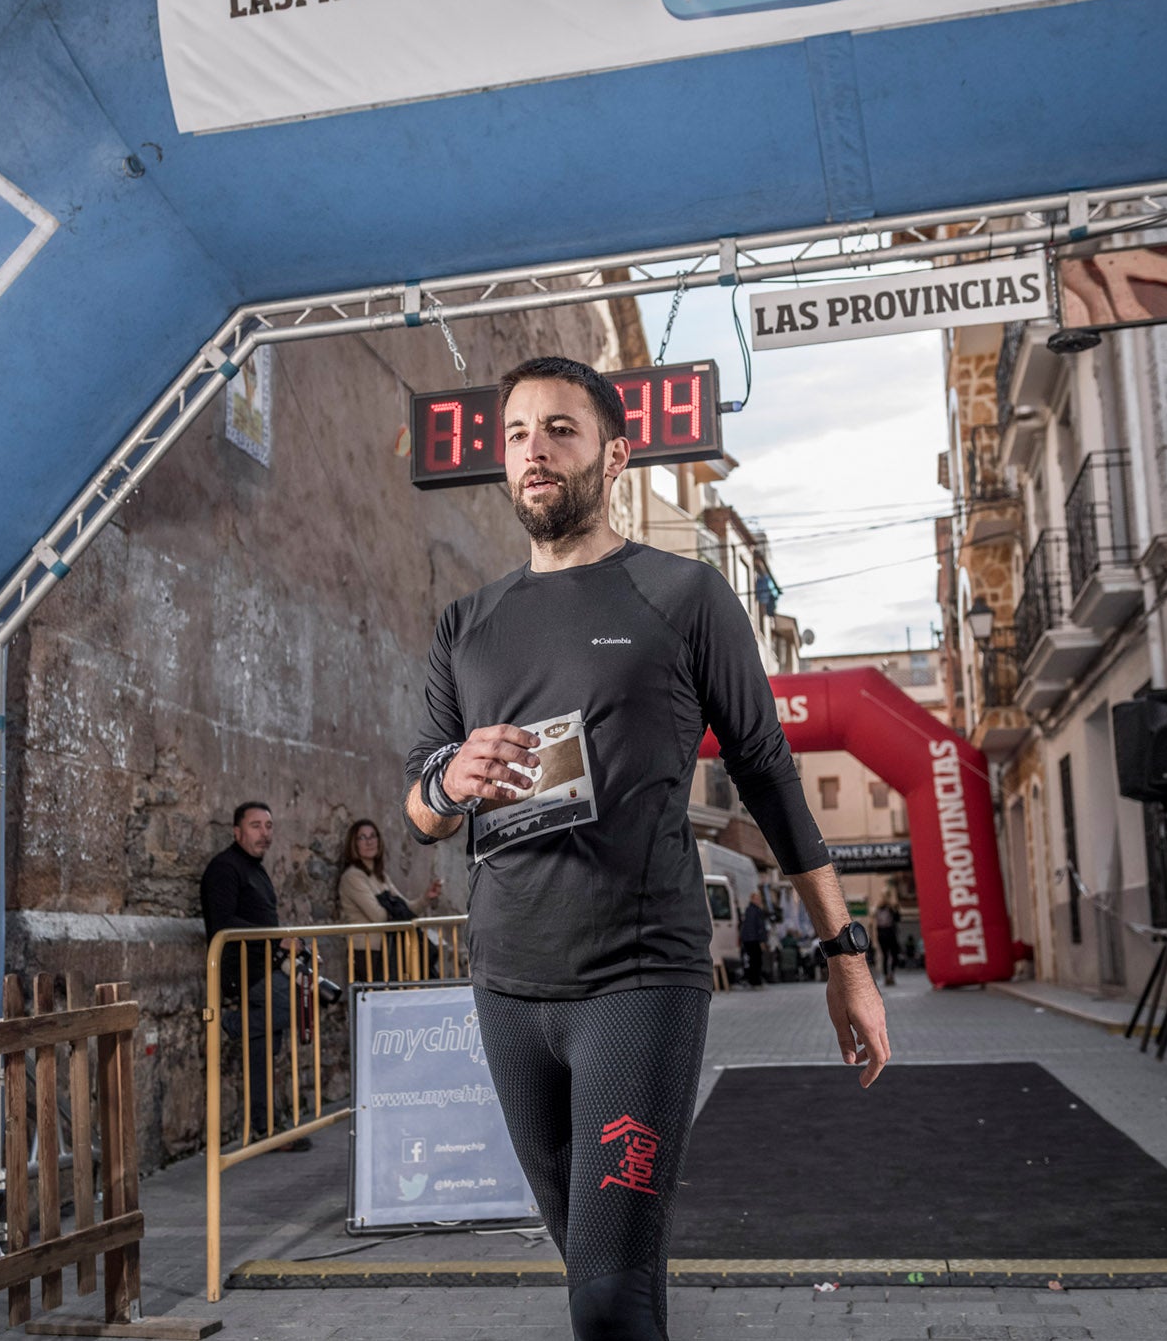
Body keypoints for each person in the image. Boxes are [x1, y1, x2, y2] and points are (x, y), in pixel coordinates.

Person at [404, 355, 891, 1341]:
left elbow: (765, 768)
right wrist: (448, 779)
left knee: (604, 1291)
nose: (531, 452)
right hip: (505, 985)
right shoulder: (466, 623)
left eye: (559, 430)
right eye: (514, 435)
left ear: (614, 454)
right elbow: (419, 801)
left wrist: (845, 958)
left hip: (637, 979)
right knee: (600, 1274)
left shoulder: (681, 594)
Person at [198, 801, 311, 1151]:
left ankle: (265, 1130)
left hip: (264, 965)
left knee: (263, 1048)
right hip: (242, 971)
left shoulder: (256, 870)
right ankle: (229, 1025)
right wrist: (277, 938)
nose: (265, 833)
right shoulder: (224, 868)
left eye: (269, 826)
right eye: (256, 826)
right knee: (295, 1004)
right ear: (237, 831)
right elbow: (222, 921)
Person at [336, 817, 444, 981]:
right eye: (362, 837)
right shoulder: (352, 877)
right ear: (354, 843)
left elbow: (406, 909)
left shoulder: (381, 877)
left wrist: (426, 897)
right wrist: (395, 908)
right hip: (367, 951)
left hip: (387, 950)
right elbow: (379, 917)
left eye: (373, 836)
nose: (369, 842)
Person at [738, 890, 769, 989]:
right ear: (752, 899)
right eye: (757, 899)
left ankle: (754, 980)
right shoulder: (755, 910)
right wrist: (762, 940)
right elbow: (758, 927)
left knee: (753, 960)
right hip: (754, 940)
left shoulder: (750, 910)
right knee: (756, 961)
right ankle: (755, 981)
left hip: (749, 939)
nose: (759, 900)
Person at [872, 890, 902, 987]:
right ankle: (887, 976)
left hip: (890, 932)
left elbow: (898, 918)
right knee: (885, 955)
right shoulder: (878, 909)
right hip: (883, 933)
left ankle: (891, 974)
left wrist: (894, 908)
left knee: (894, 954)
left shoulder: (891, 909)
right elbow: (874, 920)